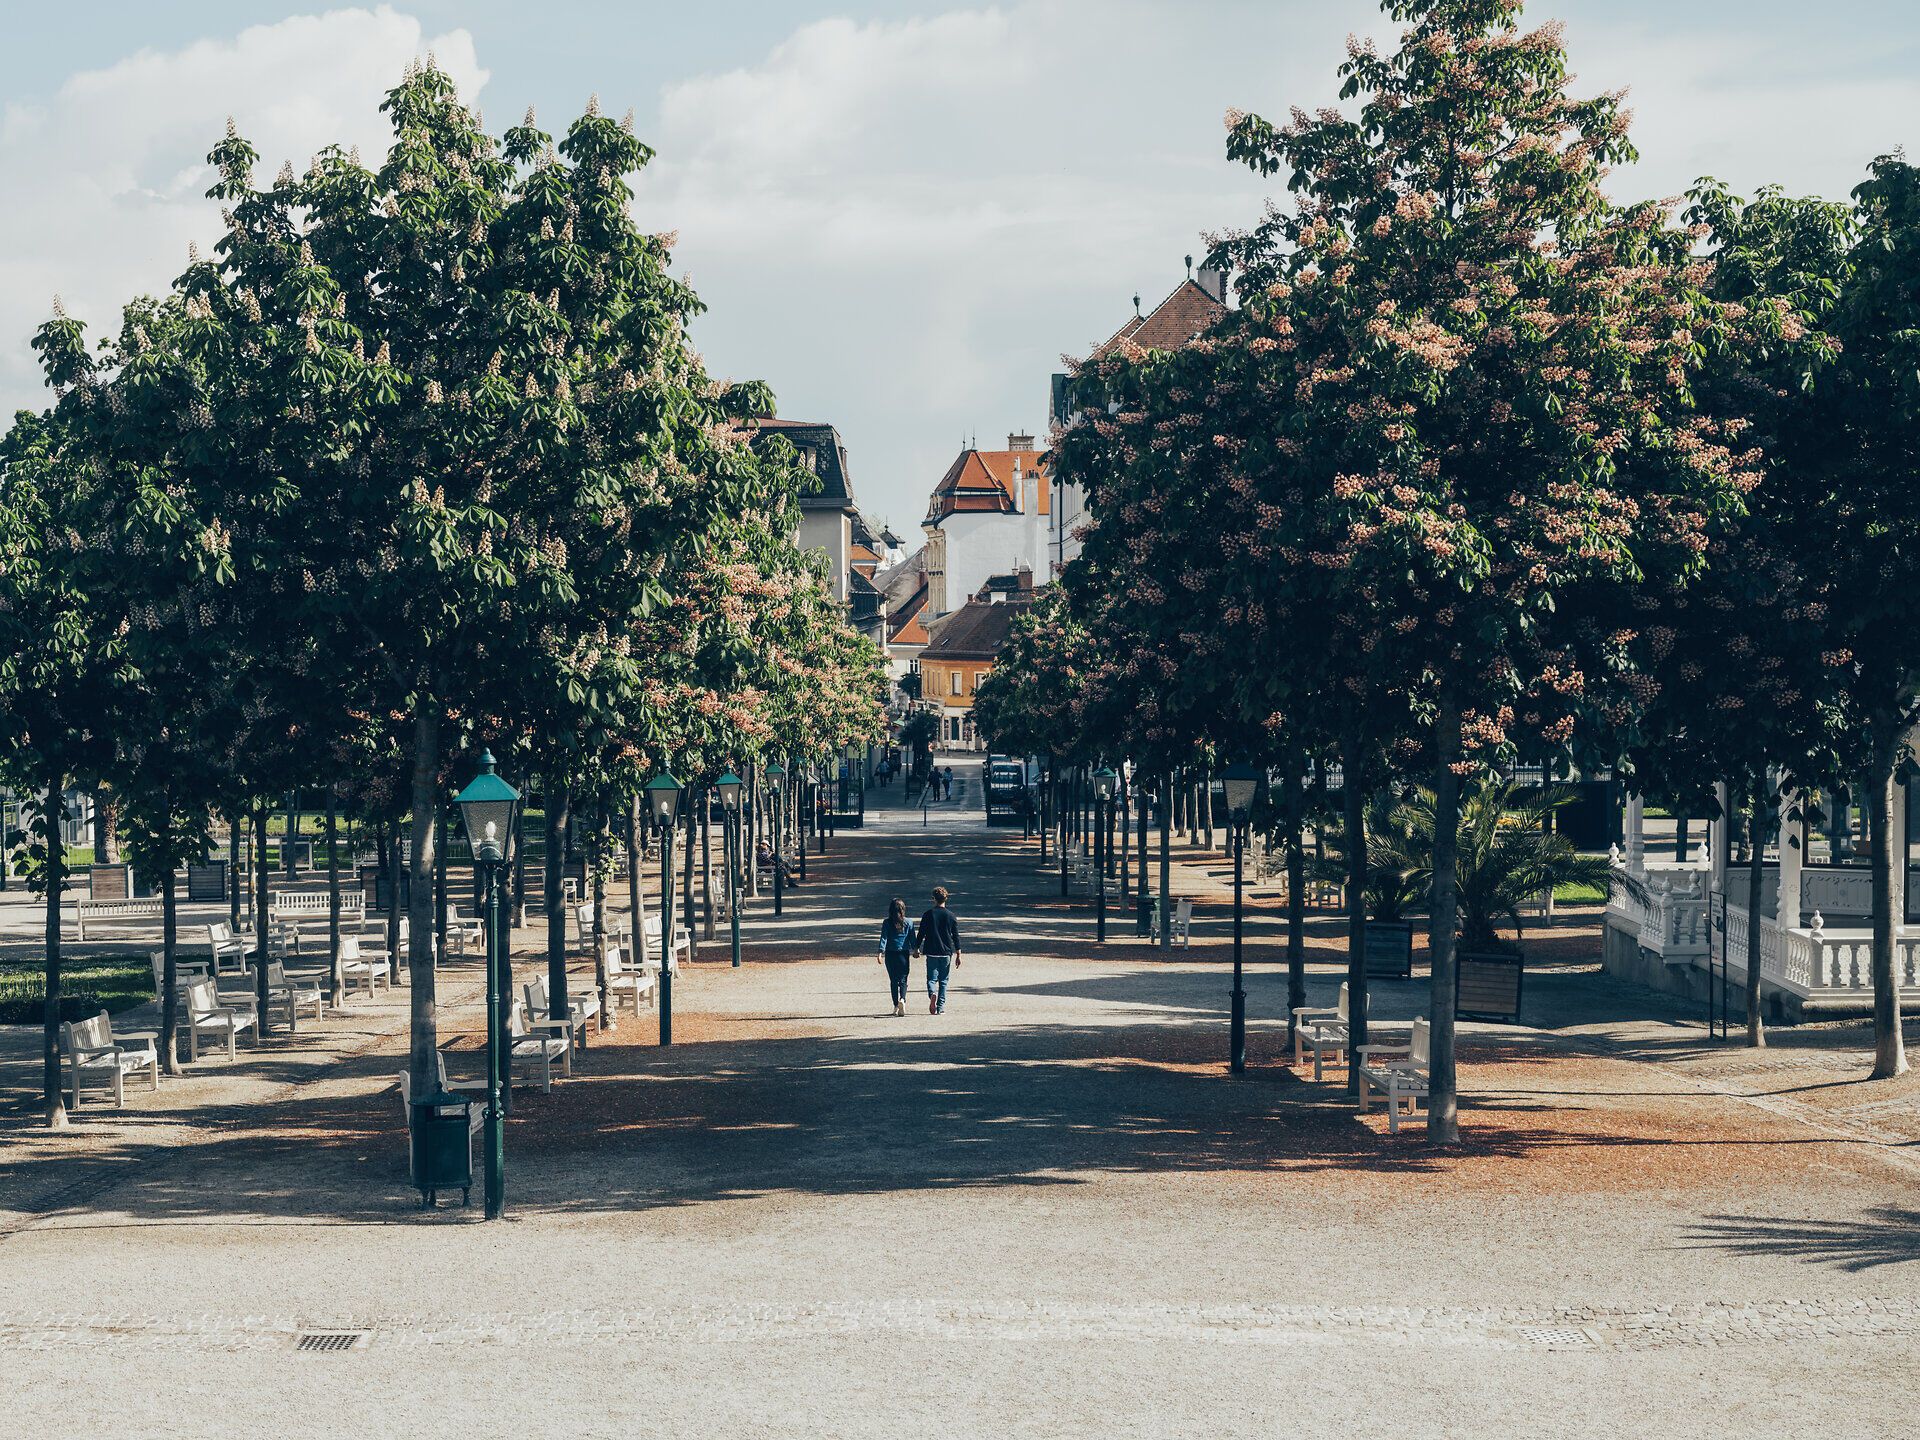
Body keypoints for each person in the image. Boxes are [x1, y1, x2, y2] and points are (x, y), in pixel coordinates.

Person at [915, 885, 962, 1014]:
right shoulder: (951, 916)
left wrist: (916, 948)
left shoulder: (928, 914)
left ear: (933, 899)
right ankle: (940, 1007)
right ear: (946, 899)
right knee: (944, 981)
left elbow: (921, 933)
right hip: (946, 952)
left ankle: (932, 994)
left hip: (931, 951)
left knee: (931, 979)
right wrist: (958, 953)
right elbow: (955, 936)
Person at [877, 897, 915, 1016]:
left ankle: (895, 1005)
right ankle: (902, 999)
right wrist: (916, 950)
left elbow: (884, 938)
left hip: (890, 953)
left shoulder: (887, 922)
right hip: (903, 953)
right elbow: (912, 938)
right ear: (903, 909)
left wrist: (880, 952)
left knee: (893, 980)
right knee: (903, 979)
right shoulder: (908, 922)